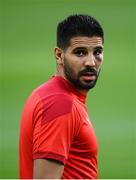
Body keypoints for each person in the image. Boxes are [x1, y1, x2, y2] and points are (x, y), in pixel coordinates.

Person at [19, 14, 104, 179]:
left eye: (97, 52)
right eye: (80, 53)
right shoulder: (60, 105)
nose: (91, 62)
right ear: (59, 55)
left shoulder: (47, 92)